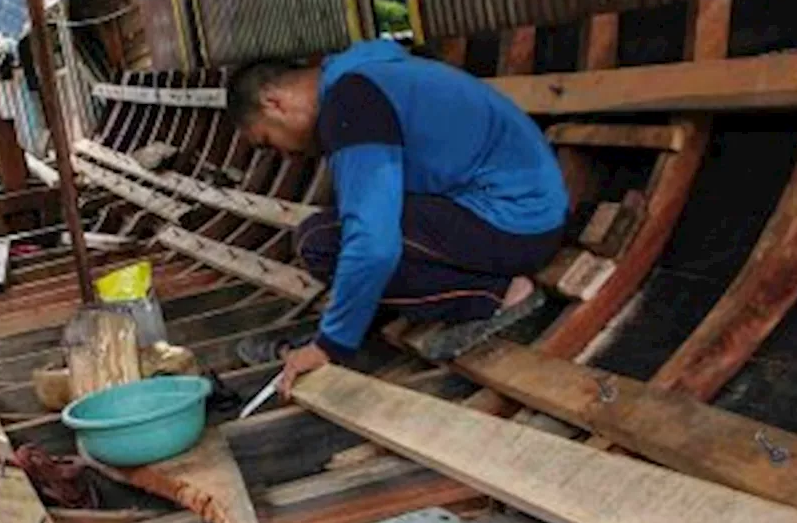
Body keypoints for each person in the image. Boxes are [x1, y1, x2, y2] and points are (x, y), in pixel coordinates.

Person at [224, 39, 568, 395]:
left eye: (268, 142)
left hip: (516, 223)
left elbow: (374, 243)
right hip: (527, 214)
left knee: (321, 242)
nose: (285, 157)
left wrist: (330, 345)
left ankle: (499, 296)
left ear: (274, 103)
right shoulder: (366, 76)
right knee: (342, 230)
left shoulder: (350, 103)